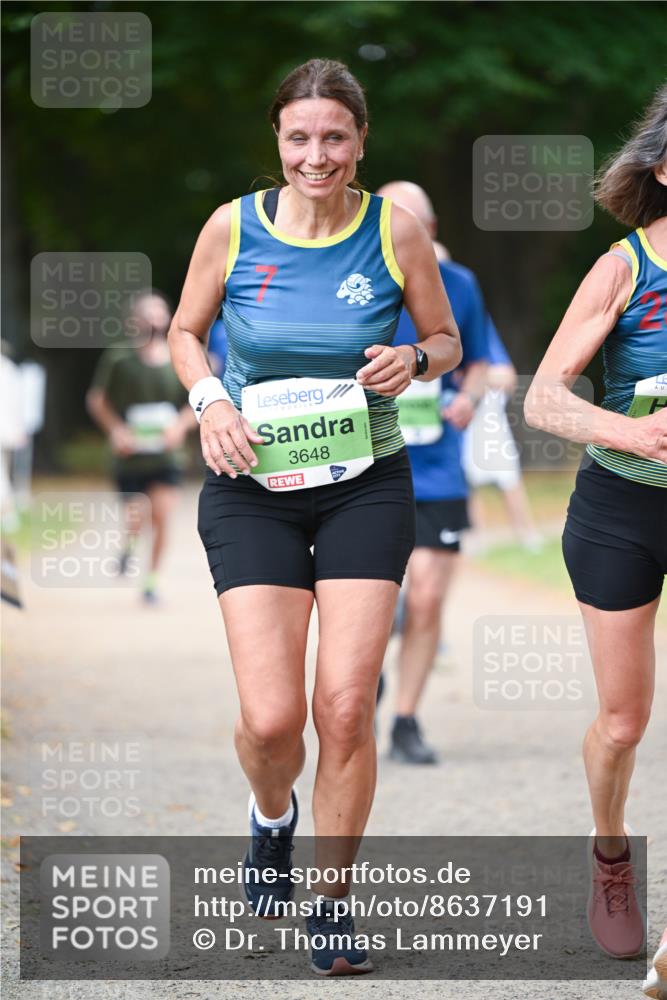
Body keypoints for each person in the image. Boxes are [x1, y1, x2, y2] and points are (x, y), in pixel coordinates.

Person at [168, 59, 461, 976]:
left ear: (361, 141)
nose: (316, 155)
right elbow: (184, 332)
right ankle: (271, 815)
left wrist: (415, 360)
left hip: (364, 483)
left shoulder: (394, 229)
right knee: (270, 721)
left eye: (334, 136)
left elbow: (445, 338)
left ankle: (330, 904)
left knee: (342, 706)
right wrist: (212, 401)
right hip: (251, 483)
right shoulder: (233, 227)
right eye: (299, 137)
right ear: (278, 140)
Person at [525, 84, 666, 961]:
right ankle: (610, 855)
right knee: (622, 722)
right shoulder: (624, 267)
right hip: (623, 504)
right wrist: (635, 433)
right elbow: (543, 399)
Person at [376, 181, 488, 764]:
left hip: (438, 469)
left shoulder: (459, 284)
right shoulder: (352, 280)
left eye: (416, 224)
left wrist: (468, 397)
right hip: (364, 465)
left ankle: (405, 720)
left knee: (426, 597)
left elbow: (480, 362)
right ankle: (363, 676)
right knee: (368, 601)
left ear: (433, 230)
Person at [87, 290, 196, 603]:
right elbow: (97, 400)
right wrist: (117, 431)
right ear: (135, 320)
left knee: (161, 516)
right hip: (130, 456)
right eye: (148, 314)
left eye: (159, 313)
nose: (154, 320)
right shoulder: (119, 358)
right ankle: (130, 546)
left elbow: (196, 403)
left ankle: (151, 581)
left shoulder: (178, 357)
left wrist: (179, 427)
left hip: (166, 456)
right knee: (136, 517)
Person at [463, 318, 543, 552]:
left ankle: (527, 534)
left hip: (490, 420)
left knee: (510, 480)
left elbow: (507, 377)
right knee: (468, 483)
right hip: (462, 422)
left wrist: (474, 377)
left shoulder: (481, 328)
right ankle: (477, 538)